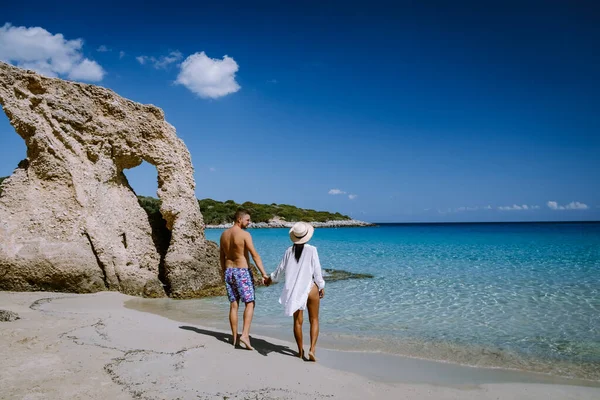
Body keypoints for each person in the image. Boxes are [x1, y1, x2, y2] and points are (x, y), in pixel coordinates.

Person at [267, 222, 325, 361]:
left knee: (298, 322)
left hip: (295, 291)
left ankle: (300, 352)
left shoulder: (289, 251)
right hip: (311, 288)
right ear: (307, 236)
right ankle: (312, 349)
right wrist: (321, 286)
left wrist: (270, 279)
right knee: (314, 319)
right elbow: (317, 271)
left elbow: (279, 270)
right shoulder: (312, 250)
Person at [219, 209, 268, 350]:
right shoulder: (244, 234)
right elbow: (255, 255)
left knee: (234, 305)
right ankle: (245, 335)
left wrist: (225, 273)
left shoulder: (223, 235)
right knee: (250, 303)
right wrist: (264, 274)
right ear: (239, 219)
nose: (249, 222)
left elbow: (221, 257)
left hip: (228, 271)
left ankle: (234, 337)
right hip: (242, 272)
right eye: (247, 220)